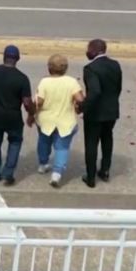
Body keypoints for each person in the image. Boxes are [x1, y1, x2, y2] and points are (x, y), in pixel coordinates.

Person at [0, 45, 35, 186]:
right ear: (18, 59)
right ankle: (8, 172)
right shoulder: (22, 78)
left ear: (4, 56)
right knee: (15, 142)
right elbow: (27, 102)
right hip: (13, 117)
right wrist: (31, 114)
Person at [34, 54, 85, 188]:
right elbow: (80, 99)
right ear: (65, 68)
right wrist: (78, 108)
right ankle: (57, 173)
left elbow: (39, 101)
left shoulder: (44, 82)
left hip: (45, 120)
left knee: (43, 142)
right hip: (65, 121)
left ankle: (43, 164)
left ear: (49, 68)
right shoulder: (71, 82)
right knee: (62, 147)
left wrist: (33, 111)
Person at [81, 39, 123, 188]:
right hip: (111, 110)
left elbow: (95, 91)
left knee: (91, 143)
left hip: (95, 113)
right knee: (107, 139)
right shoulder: (115, 65)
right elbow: (118, 87)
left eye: (88, 49)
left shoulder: (90, 68)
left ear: (93, 50)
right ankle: (105, 170)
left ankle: (90, 177)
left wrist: (83, 107)